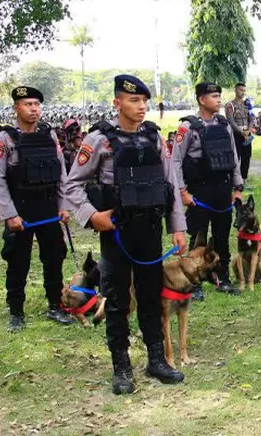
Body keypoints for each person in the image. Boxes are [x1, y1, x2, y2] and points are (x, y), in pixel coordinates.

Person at [65, 75, 187, 394]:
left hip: (149, 231)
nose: (141, 106)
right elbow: (72, 185)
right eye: (134, 100)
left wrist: (177, 227)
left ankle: (157, 360)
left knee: (149, 295)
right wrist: (92, 216)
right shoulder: (99, 140)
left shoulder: (154, 138)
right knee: (118, 300)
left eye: (144, 101)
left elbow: (170, 183)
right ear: (117, 103)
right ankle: (121, 367)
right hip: (117, 233)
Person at [0, 86, 73, 332]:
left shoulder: (50, 136)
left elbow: (61, 174)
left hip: (48, 207)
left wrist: (64, 205)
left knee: (54, 257)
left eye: (37, 104)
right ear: (16, 107)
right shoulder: (3, 139)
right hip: (20, 209)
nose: (34, 108)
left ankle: (55, 306)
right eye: (28, 104)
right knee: (18, 261)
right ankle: (16, 311)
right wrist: (9, 214)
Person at [172, 82, 244, 299]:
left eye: (219, 95)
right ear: (202, 100)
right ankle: (194, 282)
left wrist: (238, 187)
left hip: (222, 189)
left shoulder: (224, 125)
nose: (219, 100)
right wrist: (182, 192)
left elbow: (233, 157)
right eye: (214, 96)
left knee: (222, 235)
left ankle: (222, 278)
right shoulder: (188, 127)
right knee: (198, 237)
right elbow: (175, 161)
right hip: (199, 191)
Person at [225, 82, 257, 186]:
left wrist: (249, 130)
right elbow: (231, 121)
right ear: (235, 90)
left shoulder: (247, 105)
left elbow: (252, 118)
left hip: (247, 134)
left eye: (244, 90)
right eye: (240, 90)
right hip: (236, 134)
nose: (243, 92)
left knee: (246, 156)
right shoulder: (230, 105)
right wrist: (241, 132)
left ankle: (244, 178)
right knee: (235, 157)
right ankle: (234, 180)